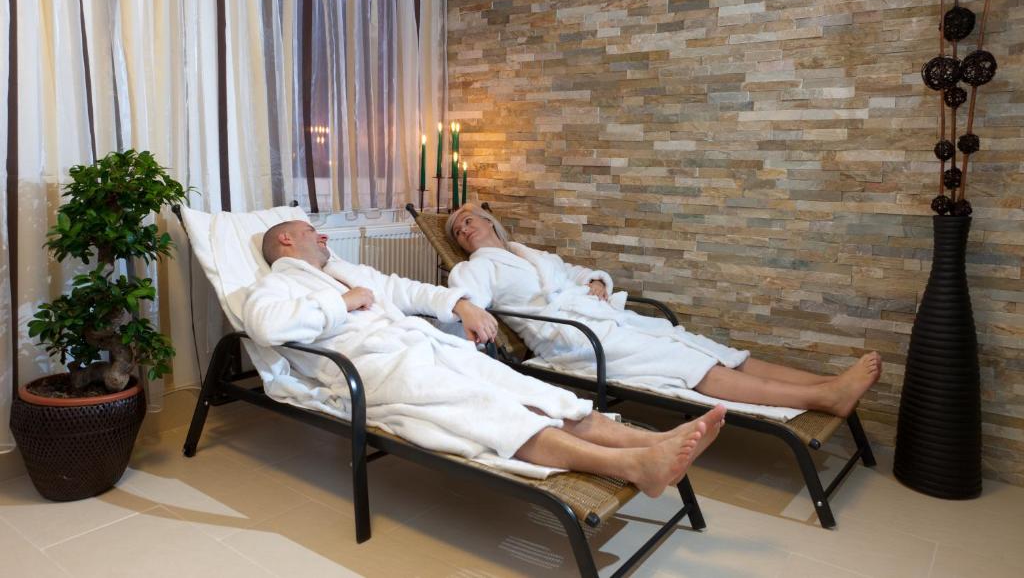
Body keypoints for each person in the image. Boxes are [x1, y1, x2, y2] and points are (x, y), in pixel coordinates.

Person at [242, 220, 724, 497]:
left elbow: (409, 289)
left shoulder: (350, 271)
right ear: (285, 241)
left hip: (429, 348)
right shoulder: (276, 285)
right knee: (493, 412)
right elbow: (265, 326)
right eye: (312, 232)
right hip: (380, 368)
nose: (324, 238)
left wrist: (461, 305)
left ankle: (655, 441)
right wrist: (341, 303)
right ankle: (635, 466)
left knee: (533, 391)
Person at [446, 204, 882, 418]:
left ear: (489, 221)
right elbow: (464, 297)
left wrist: (595, 281)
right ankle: (822, 398)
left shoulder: (527, 252)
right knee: (682, 361)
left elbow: (573, 273)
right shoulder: (476, 267)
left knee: (700, 345)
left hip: (605, 320)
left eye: (468, 220)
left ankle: (826, 383)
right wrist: (465, 307)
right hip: (575, 340)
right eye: (456, 231)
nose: (464, 229)